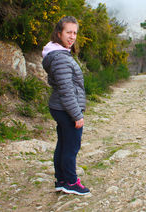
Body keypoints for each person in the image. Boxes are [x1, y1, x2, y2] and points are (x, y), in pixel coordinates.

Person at [42, 16, 90, 195]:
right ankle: (70, 182)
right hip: (65, 108)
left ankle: (61, 180)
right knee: (70, 146)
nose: (72, 36)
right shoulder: (60, 57)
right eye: (68, 32)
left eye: (75, 33)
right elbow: (66, 90)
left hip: (60, 107)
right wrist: (77, 115)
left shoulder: (58, 53)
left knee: (62, 145)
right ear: (59, 33)